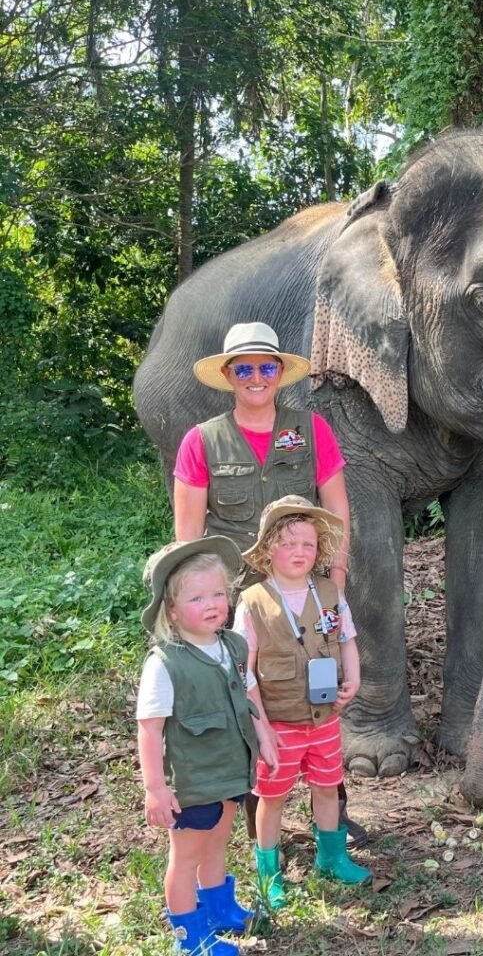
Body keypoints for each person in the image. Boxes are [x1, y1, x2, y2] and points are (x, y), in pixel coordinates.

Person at [172, 321, 367, 848]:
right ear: (229, 375)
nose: (255, 377)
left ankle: (334, 817)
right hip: (238, 596)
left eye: (265, 366)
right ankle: (261, 826)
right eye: (244, 368)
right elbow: (187, 537)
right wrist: (192, 606)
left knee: (317, 691)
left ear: (279, 373)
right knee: (247, 697)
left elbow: (337, 508)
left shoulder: (311, 430)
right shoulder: (202, 441)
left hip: (306, 590)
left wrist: (338, 577)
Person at [136, 536, 278, 955]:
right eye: (197, 597)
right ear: (172, 610)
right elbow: (149, 728)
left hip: (231, 766)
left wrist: (265, 736)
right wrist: (155, 789)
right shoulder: (165, 663)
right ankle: (189, 937)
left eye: (218, 593)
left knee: (218, 839)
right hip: (193, 779)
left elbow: (250, 691)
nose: (213, 603)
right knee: (187, 855)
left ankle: (218, 908)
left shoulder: (232, 645)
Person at [235, 496, 372, 908]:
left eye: (308, 545)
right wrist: (261, 729)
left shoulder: (328, 591)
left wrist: (355, 676)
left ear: (320, 550)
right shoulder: (254, 602)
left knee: (327, 786)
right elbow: (245, 671)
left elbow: (346, 638)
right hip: (278, 723)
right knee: (272, 797)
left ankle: (332, 857)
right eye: (289, 544)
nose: (299, 553)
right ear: (267, 550)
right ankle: (269, 873)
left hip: (325, 719)